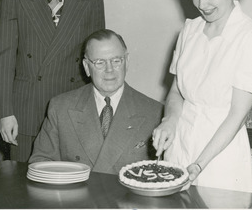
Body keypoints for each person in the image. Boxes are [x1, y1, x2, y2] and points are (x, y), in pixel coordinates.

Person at [152, 0, 252, 192]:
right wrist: (169, 120)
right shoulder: (190, 30)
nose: (201, 4)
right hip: (180, 143)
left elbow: (237, 115)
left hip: (219, 153)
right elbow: (176, 92)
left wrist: (199, 164)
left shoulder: (251, 38)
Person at [0, 0, 105, 162]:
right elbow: (3, 58)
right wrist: (5, 113)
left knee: (69, 190)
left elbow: (98, 61)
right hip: (26, 109)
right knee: (23, 188)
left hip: (73, 107)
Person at [29, 29, 163, 174]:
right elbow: (41, 163)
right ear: (87, 67)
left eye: (116, 61)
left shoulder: (154, 112)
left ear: (127, 62)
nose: (109, 69)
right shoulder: (60, 107)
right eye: (100, 62)